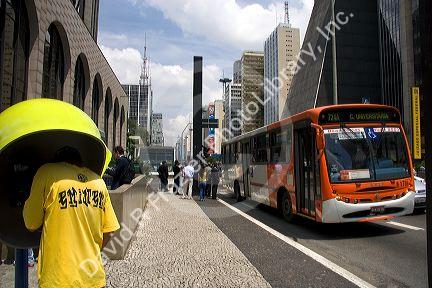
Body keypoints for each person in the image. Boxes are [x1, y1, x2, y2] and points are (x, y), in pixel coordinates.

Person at [23, 146, 120, 288]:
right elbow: (110, 231)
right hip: (93, 277)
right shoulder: (99, 182)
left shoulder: (47, 172)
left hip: (58, 279)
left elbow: (31, 223)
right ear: (80, 162)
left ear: (57, 162)